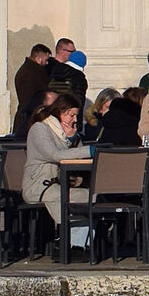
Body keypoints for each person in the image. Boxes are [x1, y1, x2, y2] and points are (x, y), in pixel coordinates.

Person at [23, 90, 91, 232]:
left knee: (92, 196)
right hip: (41, 185)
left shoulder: (71, 133)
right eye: (71, 115)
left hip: (65, 184)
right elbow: (55, 155)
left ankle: (78, 239)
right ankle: (71, 239)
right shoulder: (40, 129)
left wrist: (73, 139)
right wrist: (89, 150)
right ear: (60, 112)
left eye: (76, 116)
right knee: (85, 197)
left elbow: (78, 158)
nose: (75, 120)